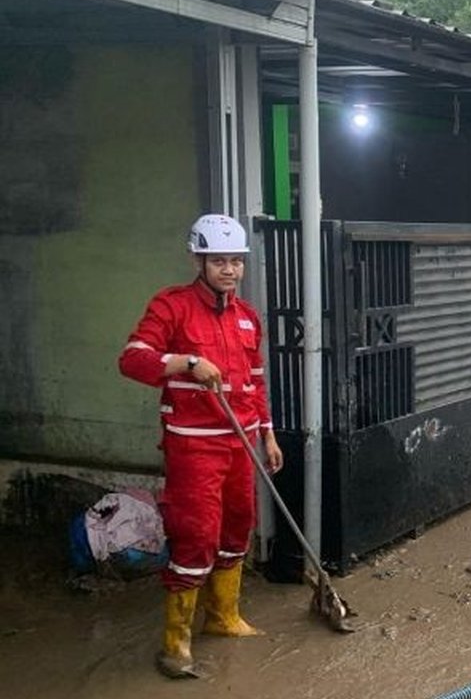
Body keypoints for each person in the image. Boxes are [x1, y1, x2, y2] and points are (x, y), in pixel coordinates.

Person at [119, 214, 282, 678]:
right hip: (193, 448)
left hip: (242, 441)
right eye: (218, 261)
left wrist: (266, 433)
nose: (229, 270)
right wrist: (186, 362)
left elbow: (255, 382)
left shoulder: (247, 317)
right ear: (198, 259)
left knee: (238, 527)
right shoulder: (171, 306)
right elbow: (131, 359)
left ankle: (224, 617)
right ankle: (176, 644)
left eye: (236, 261)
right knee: (197, 537)